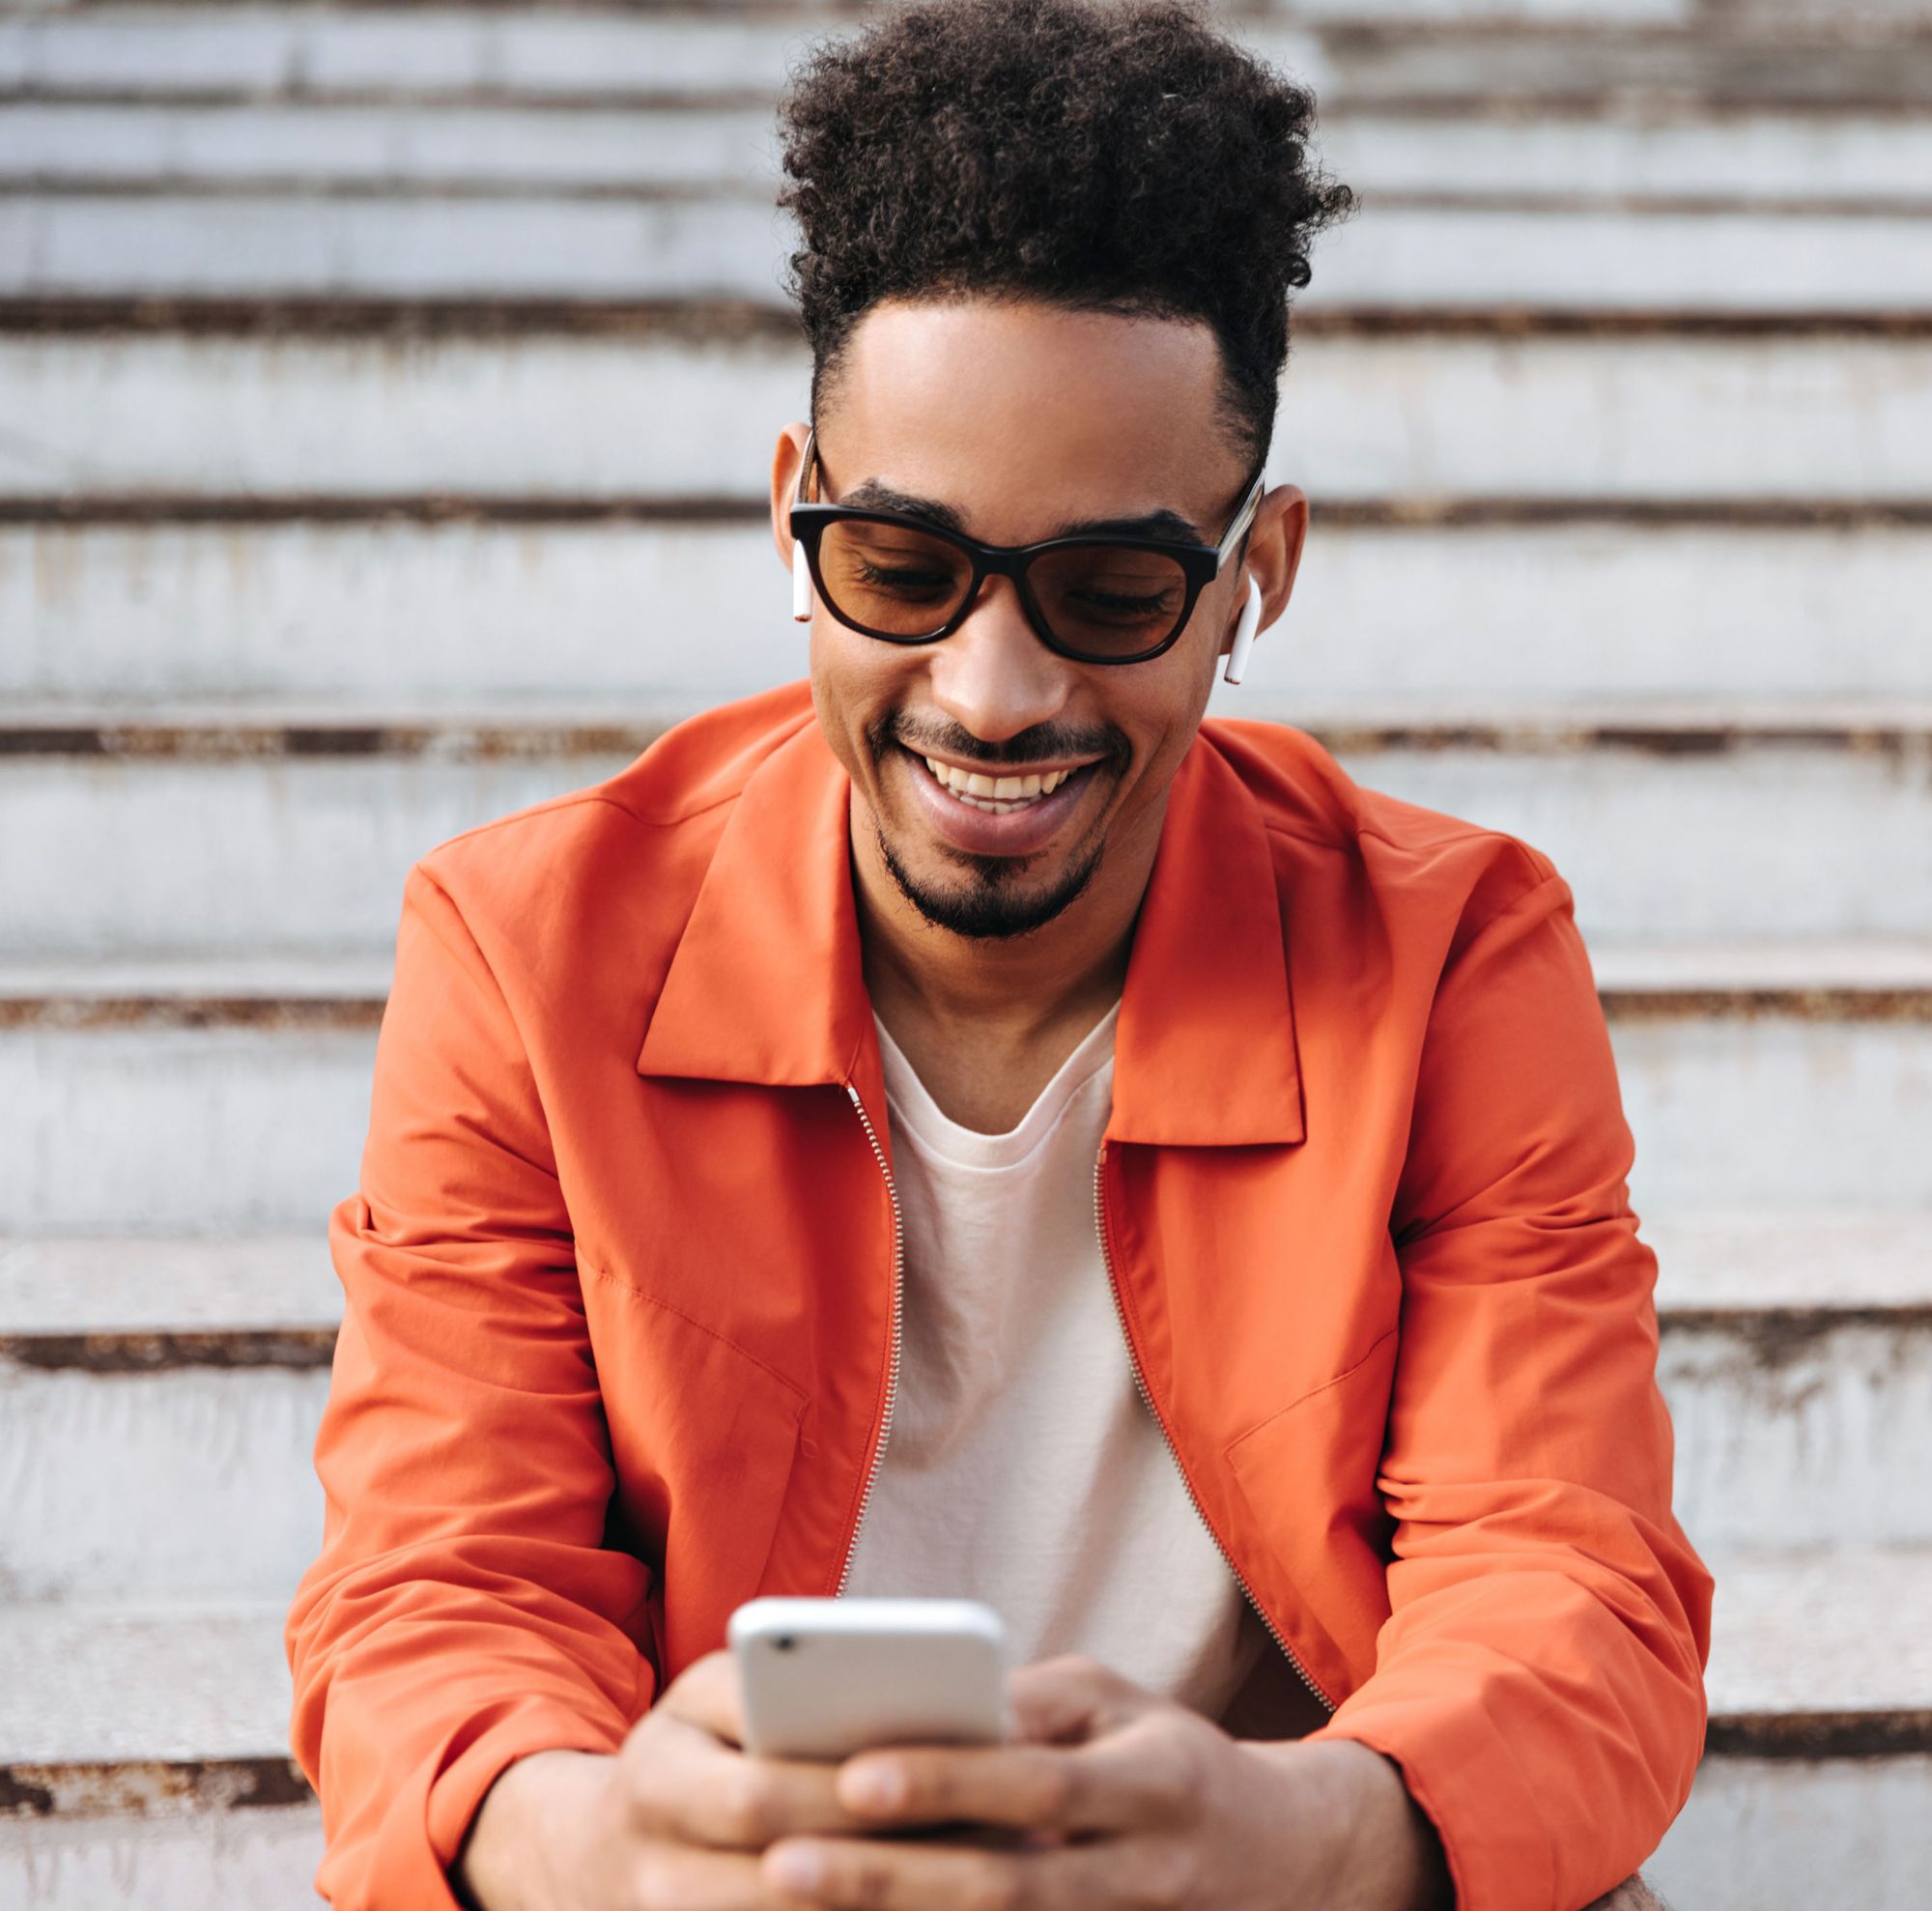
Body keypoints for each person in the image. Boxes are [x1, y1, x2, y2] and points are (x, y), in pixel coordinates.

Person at [284, 2, 1713, 1906]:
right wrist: (599, 1837)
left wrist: (1285, 1826)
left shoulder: (1448, 952)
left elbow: (1566, 1586)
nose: (993, 686)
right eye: (899, 565)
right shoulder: (531, 947)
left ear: (1251, 577)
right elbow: (437, 1588)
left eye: (1110, 589)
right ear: (792, 504)